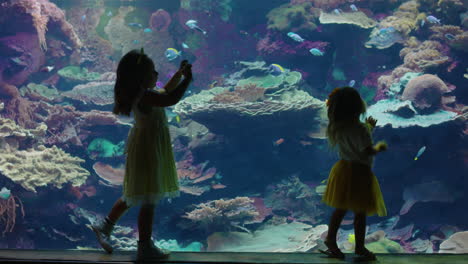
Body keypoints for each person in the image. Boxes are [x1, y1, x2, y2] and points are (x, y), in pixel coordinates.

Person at [90, 48, 192, 261]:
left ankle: (104, 226)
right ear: (141, 76)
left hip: (148, 146)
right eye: (152, 71)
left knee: (134, 193)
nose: (156, 74)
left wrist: (179, 74)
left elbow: (165, 90)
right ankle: (144, 247)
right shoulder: (144, 96)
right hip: (148, 149)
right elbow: (170, 98)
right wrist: (187, 80)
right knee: (148, 199)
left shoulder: (144, 93)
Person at [319, 87, 387, 261]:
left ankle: (331, 240)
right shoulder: (361, 128)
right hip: (360, 172)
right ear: (358, 106)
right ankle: (359, 247)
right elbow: (364, 151)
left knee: (340, 209)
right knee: (360, 212)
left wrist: (368, 129)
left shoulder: (338, 127)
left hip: (343, 169)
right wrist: (378, 147)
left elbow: (352, 141)